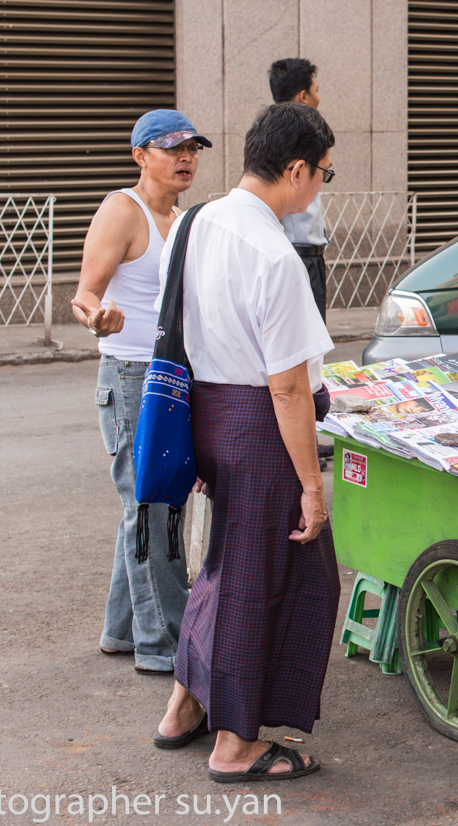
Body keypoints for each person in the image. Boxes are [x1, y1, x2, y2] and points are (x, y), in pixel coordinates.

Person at [152, 103, 338, 782]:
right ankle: (234, 743)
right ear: (294, 169)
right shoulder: (275, 257)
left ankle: (183, 706)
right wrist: (312, 488)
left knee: (224, 567)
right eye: (322, 172)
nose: (320, 184)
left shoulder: (194, 222)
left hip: (207, 416)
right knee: (265, 580)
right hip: (260, 429)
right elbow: (288, 389)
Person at [71, 109, 211, 675]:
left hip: (166, 378)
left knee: (145, 503)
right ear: (140, 155)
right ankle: (164, 645)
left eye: (194, 148)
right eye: (173, 147)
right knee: (154, 507)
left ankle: (123, 631)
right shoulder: (121, 210)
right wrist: (95, 317)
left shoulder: (181, 219)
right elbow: (85, 292)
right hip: (130, 378)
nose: (186, 157)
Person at [269, 58, 329, 322]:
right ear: (303, 95)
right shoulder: (296, 133)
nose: (319, 97)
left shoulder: (269, 129)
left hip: (300, 253)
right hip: (297, 253)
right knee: (306, 342)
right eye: (316, 90)